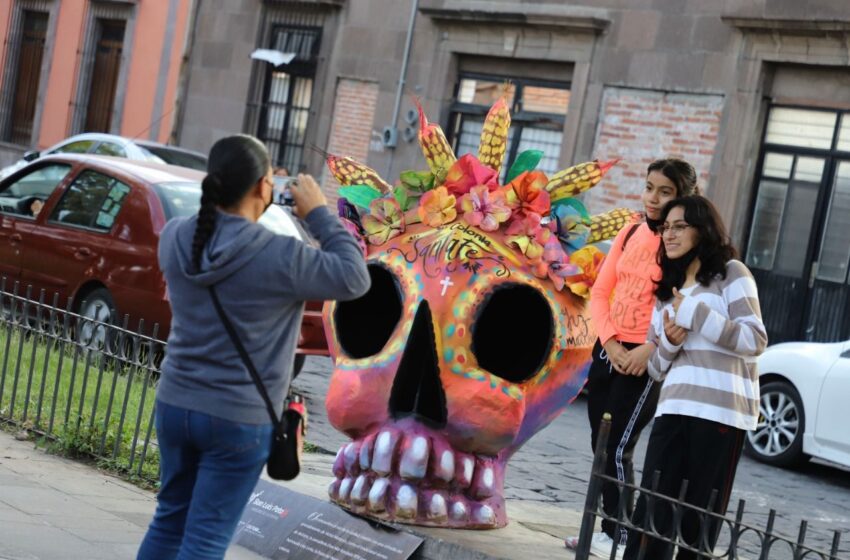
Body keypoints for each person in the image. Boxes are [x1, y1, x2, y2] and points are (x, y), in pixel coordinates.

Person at [137, 134, 370, 559]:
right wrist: (318, 212)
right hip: (237, 418)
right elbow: (355, 278)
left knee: (169, 521)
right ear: (265, 186)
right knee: (205, 539)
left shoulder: (174, 237)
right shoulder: (281, 255)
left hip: (175, 405)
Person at [564, 158, 698, 558]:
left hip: (644, 360)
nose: (653, 198)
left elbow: (682, 304)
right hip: (608, 352)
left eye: (664, 191)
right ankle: (609, 529)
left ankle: (624, 539)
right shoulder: (628, 233)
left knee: (618, 447)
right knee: (599, 443)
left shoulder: (680, 244)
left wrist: (648, 349)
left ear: (682, 198)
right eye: (649, 187)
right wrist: (609, 344)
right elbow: (602, 292)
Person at [623, 196, 767, 559]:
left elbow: (755, 339)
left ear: (701, 229)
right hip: (673, 409)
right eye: (665, 228)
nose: (668, 235)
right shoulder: (665, 291)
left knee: (698, 523)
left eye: (678, 227)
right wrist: (670, 343)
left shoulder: (731, 274)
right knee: (651, 513)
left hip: (721, 414)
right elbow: (655, 367)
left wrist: (697, 315)